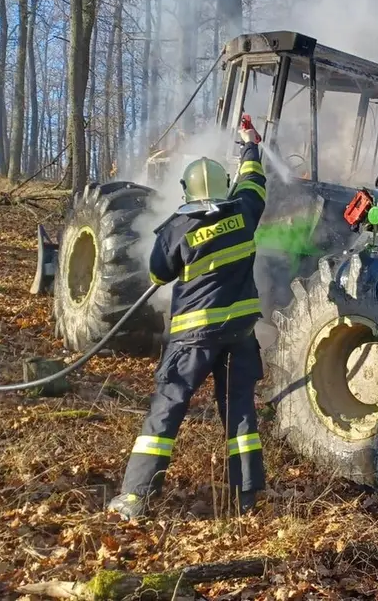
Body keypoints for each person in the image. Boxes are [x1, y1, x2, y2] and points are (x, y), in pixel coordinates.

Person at [107, 116, 268, 521]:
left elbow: (159, 273)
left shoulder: (176, 229)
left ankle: (135, 496)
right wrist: (250, 143)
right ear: (224, 186)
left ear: (187, 191)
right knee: (240, 412)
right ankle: (246, 495)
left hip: (193, 339)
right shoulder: (246, 210)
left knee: (168, 408)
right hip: (240, 336)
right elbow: (253, 179)